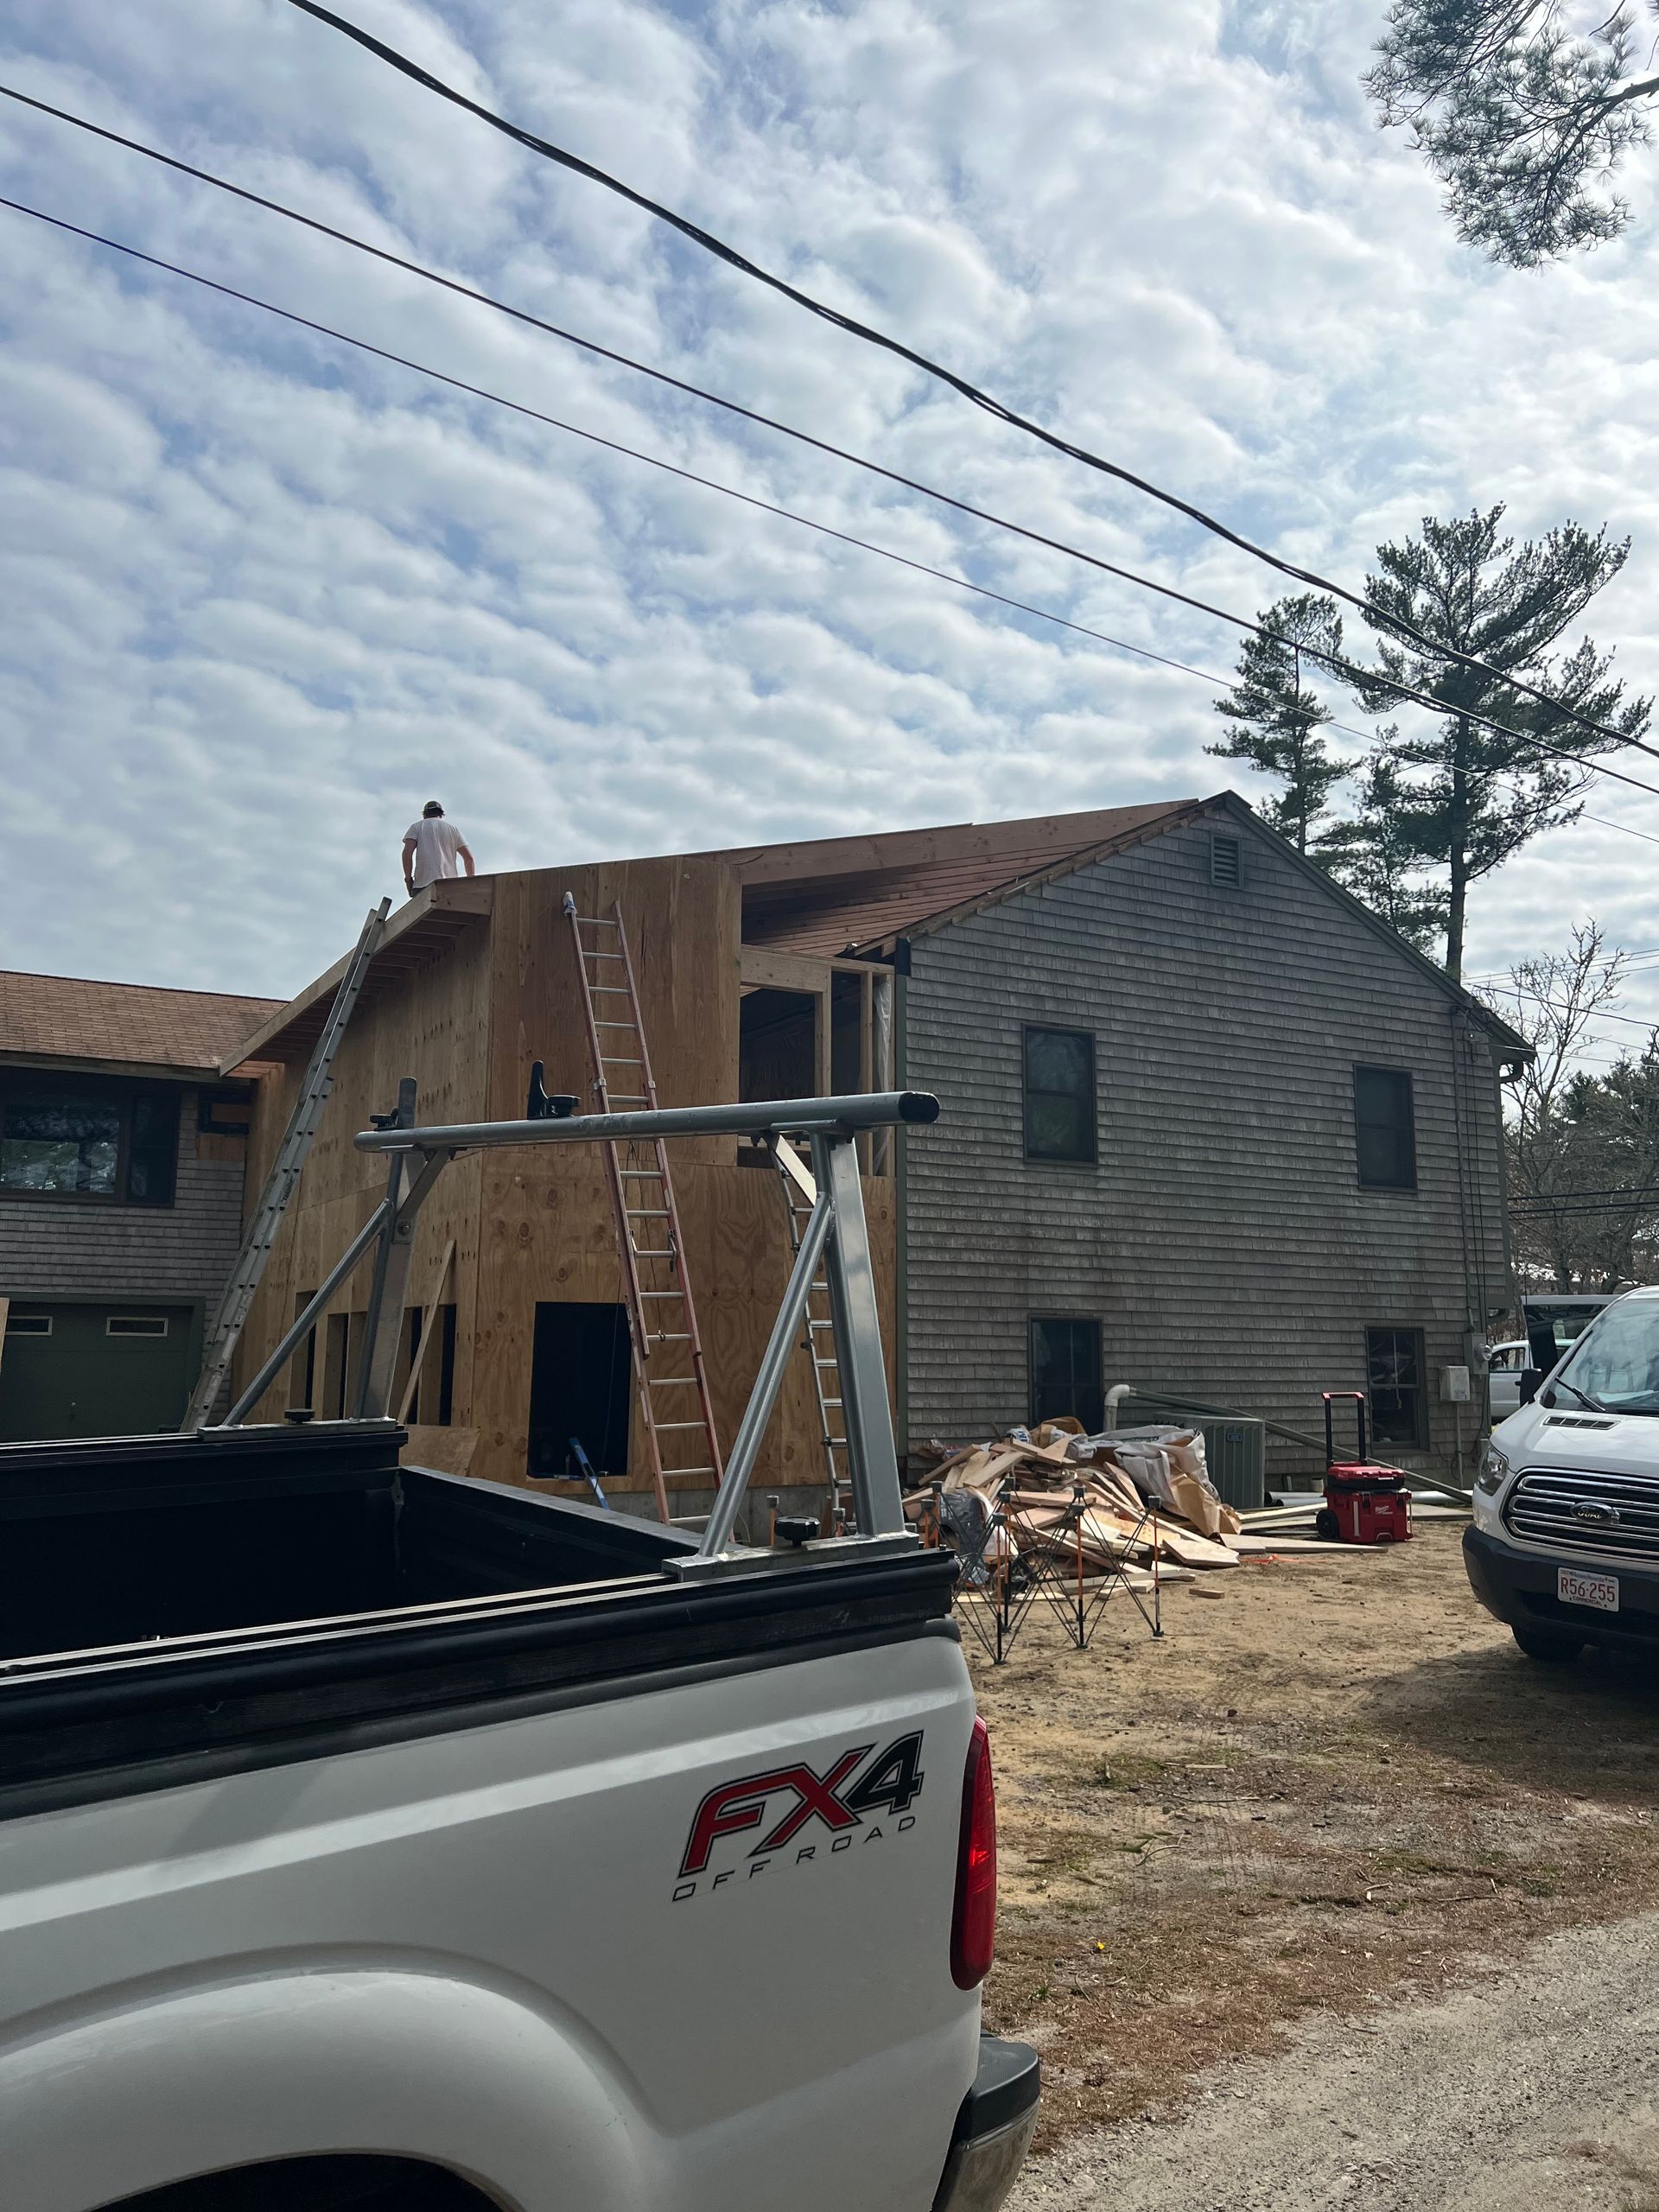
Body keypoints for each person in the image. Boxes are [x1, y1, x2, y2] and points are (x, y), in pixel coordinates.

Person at [402, 801, 476, 898]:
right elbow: (469, 858)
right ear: (441, 814)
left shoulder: (417, 827)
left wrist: (408, 879)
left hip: (423, 884)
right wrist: (471, 885)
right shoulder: (453, 830)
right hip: (450, 886)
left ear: (424, 814)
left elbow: (407, 853)